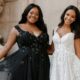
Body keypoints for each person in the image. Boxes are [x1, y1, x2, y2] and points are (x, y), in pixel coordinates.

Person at [0, 3, 50, 80]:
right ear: (26, 13)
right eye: (31, 13)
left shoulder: (42, 29)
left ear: (39, 17)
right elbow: (6, 47)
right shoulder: (17, 28)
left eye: (37, 14)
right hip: (24, 65)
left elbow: (48, 49)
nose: (33, 15)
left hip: (42, 65)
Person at [49, 5, 80, 80]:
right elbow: (52, 49)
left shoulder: (75, 31)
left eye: (73, 17)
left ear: (75, 19)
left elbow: (78, 52)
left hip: (69, 64)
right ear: (64, 14)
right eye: (67, 14)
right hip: (56, 63)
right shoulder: (55, 29)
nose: (69, 18)